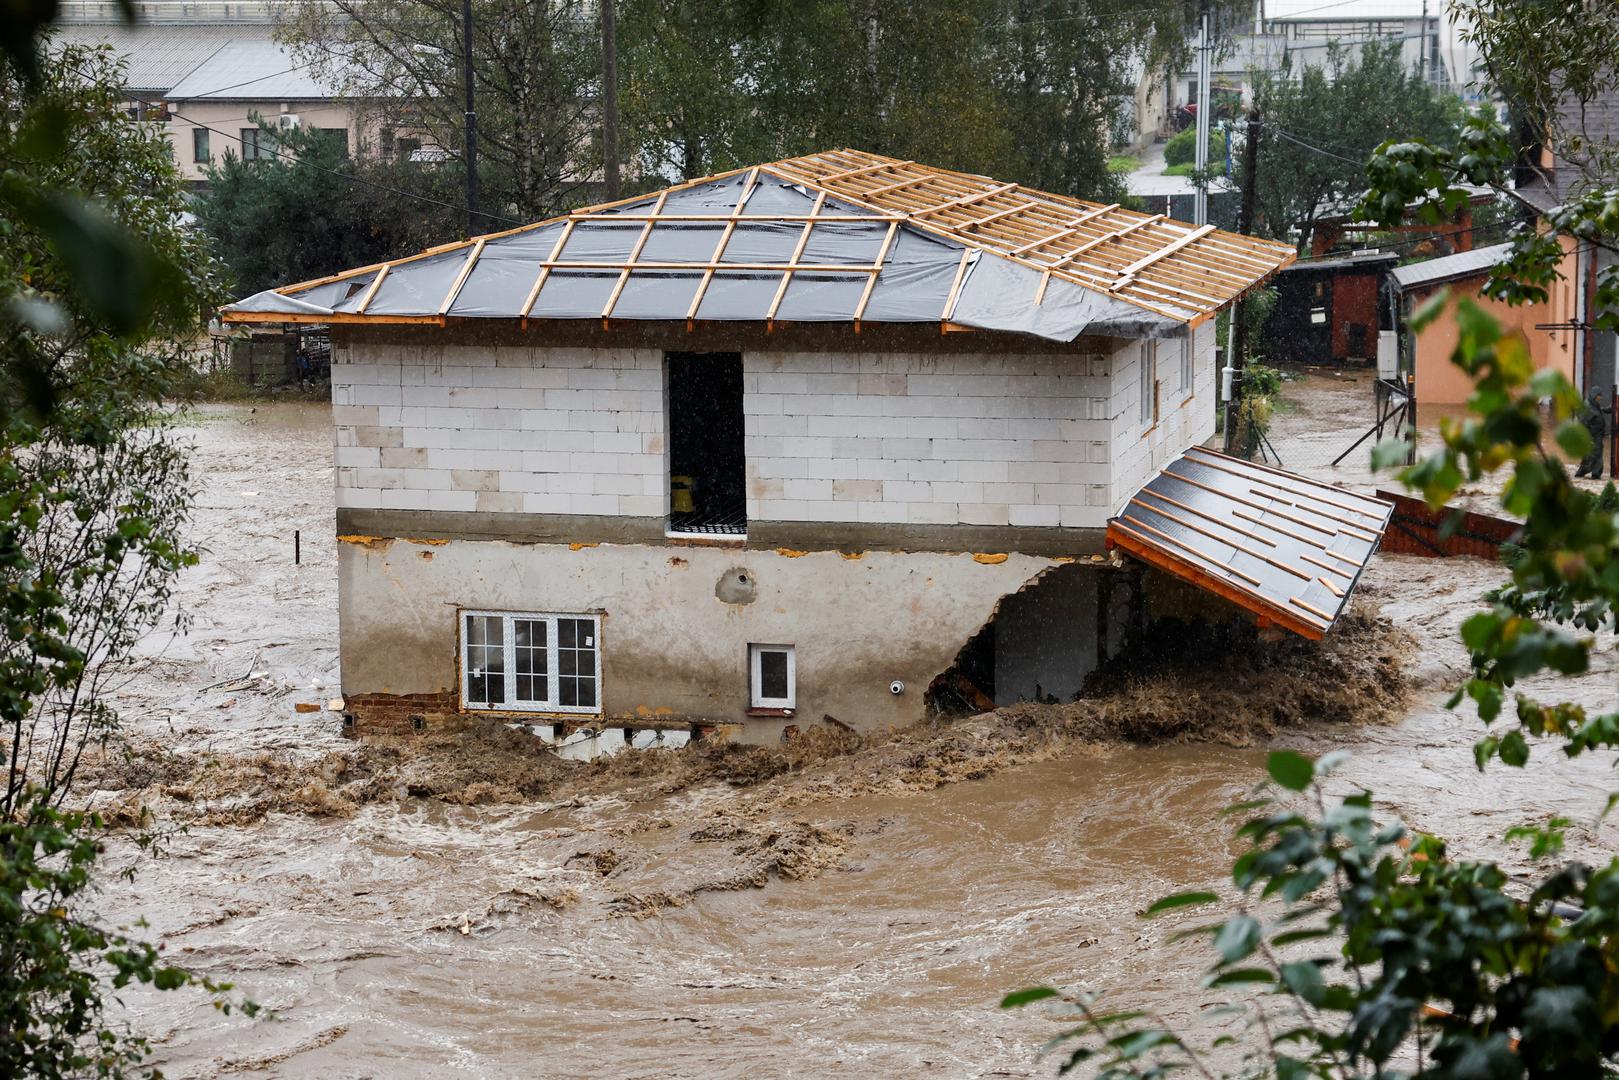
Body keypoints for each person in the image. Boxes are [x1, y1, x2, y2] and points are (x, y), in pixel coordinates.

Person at [1575, 387, 1610, 479]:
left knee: (1594, 455)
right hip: (1592, 436)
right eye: (1599, 395)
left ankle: (1592, 474)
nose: (1601, 397)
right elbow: (1582, 423)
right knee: (1593, 455)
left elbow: (1598, 412)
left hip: (1597, 435)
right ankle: (1592, 474)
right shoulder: (1587, 407)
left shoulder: (1594, 405)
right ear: (1594, 395)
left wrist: (1608, 409)